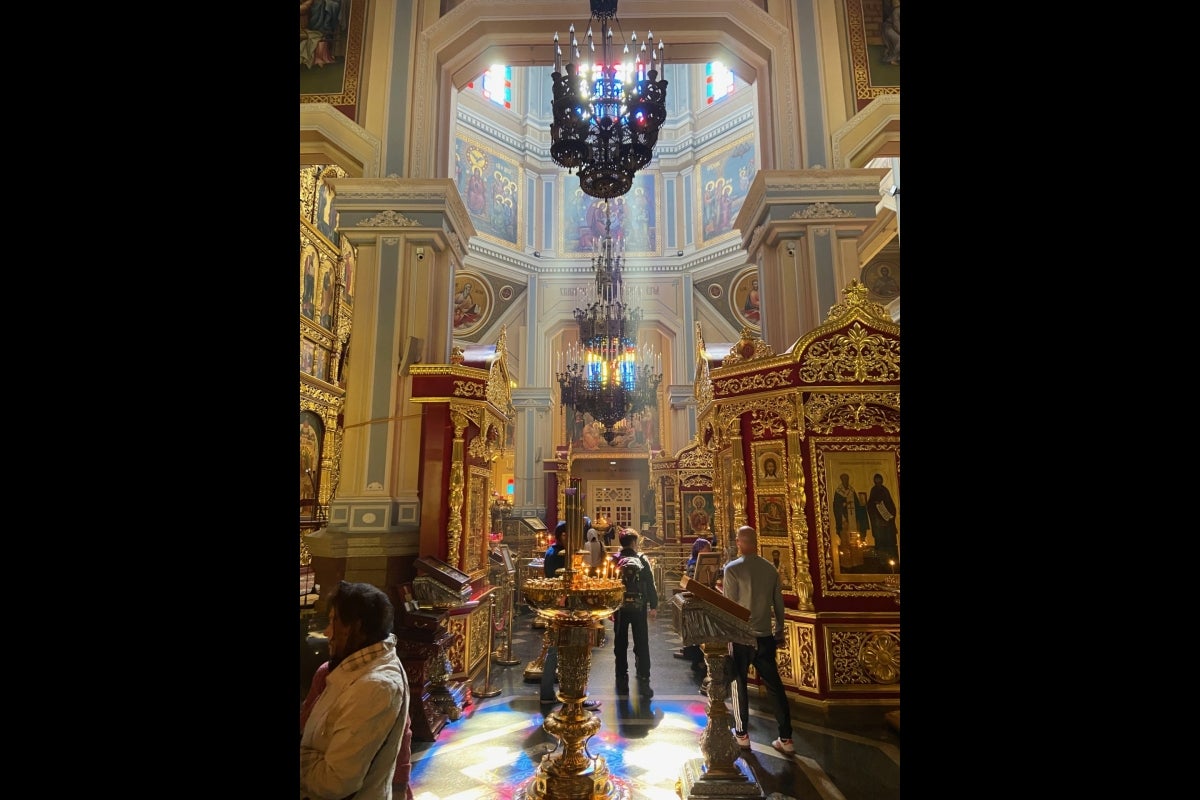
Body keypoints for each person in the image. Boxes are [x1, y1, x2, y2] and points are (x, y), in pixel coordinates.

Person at [300, 580, 411, 799]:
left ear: (356, 627)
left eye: (333, 621)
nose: (327, 632)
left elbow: (336, 782)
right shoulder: (353, 668)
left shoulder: (374, 688)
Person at [722, 525, 795, 756]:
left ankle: (741, 734)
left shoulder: (732, 569)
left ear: (740, 542)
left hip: (741, 637)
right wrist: (780, 631)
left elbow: (729, 608)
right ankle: (786, 738)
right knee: (775, 687)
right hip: (765, 637)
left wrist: (726, 636)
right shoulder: (770, 569)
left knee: (738, 683)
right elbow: (779, 605)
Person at [302, 660, 415, 800]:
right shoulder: (326, 673)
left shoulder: (382, 682)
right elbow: (305, 723)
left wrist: (400, 786)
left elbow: (402, 739)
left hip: (372, 783)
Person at [540, 522, 601, 711]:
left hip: (559, 605)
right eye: (573, 536)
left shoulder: (555, 552)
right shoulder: (558, 555)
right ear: (565, 536)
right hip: (564, 606)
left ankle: (549, 694)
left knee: (556, 649)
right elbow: (564, 581)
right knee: (574, 650)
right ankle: (576, 697)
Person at [611, 529, 659, 698]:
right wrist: (653, 605)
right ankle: (644, 676)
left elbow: (608, 584)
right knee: (641, 641)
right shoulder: (642, 559)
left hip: (620, 607)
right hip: (639, 607)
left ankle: (621, 677)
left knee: (620, 642)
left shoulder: (614, 559)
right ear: (633, 542)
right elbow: (650, 584)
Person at [866, 473, 899, 563]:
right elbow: (870, 505)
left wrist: (889, 517)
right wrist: (874, 504)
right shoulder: (873, 491)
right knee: (880, 541)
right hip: (878, 523)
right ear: (874, 482)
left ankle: (892, 560)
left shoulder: (885, 490)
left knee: (889, 540)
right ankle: (882, 561)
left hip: (887, 521)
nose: (878, 483)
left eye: (879, 481)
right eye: (876, 481)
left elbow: (891, 505)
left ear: (882, 481)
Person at [832, 473, 868, 539]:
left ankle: (856, 542)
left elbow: (857, 502)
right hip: (843, 515)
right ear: (842, 480)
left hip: (853, 514)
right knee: (845, 530)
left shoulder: (851, 490)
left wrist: (862, 501)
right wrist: (844, 504)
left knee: (857, 525)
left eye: (847, 479)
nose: (846, 481)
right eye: (844, 479)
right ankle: (846, 544)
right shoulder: (838, 491)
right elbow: (836, 504)